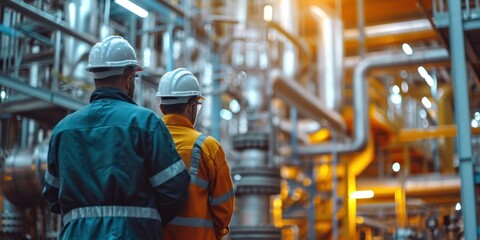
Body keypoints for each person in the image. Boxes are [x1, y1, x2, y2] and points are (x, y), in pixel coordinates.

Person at [42, 36, 190, 239]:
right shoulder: (146, 123)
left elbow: (52, 195)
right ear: (130, 78)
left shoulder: (62, 129)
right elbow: (174, 189)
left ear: (95, 77)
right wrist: (146, 221)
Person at [156, 68, 235, 240]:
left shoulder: (147, 141)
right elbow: (223, 208)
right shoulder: (207, 147)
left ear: (161, 107)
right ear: (192, 107)